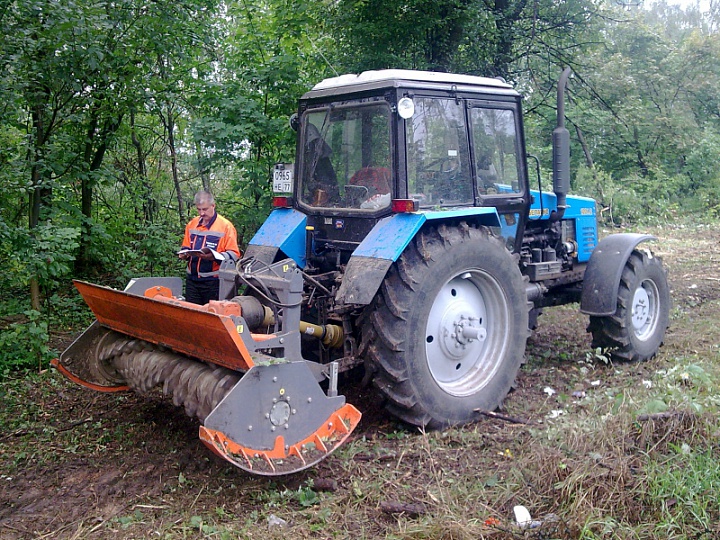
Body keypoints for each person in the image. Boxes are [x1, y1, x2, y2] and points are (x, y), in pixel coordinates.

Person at [178, 191, 241, 305]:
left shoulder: (225, 226)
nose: (202, 213)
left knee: (211, 316)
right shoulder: (192, 224)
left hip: (213, 282)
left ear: (213, 205)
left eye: (205, 209)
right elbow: (186, 246)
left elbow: (234, 254)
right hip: (192, 281)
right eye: (199, 209)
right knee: (192, 314)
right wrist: (184, 254)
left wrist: (213, 257)